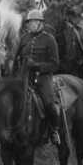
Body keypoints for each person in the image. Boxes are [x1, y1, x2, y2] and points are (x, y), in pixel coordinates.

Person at [16, 8, 62, 144]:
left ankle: (55, 130)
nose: (33, 24)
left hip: (42, 78)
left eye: (36, 21)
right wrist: (13, 76)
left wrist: (37, 65)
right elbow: (16, 58)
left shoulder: (49, 40)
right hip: (23, 76)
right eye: (31, 22)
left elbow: (54, 65)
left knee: (48, 103)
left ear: (42, 23)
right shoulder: (24, 38)